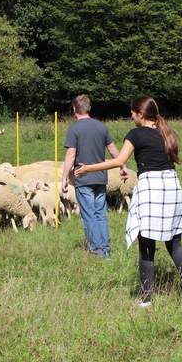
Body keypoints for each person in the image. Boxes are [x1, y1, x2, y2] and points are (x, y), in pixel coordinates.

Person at [75, 96, 182, 306]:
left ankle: (146, 299)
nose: (131, 116)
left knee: (146, 244)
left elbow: (119, 160)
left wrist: (87, 168)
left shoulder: (135, 133)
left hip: (152, 187)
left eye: (132, 112)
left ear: (140, 114)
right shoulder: (164, 133)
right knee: (174, 244)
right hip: (172, 187)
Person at [61, 94, 127, 258]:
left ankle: (96, 251)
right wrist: (122, 165)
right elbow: (113, 150)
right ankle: (105, 249)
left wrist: (64, 177)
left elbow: (71, 154)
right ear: (89, 108)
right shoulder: (101, 127)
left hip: (83, 179)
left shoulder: (74, 129)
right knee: (100, 214)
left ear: (74, 109)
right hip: (100, 179)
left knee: (89, 215)